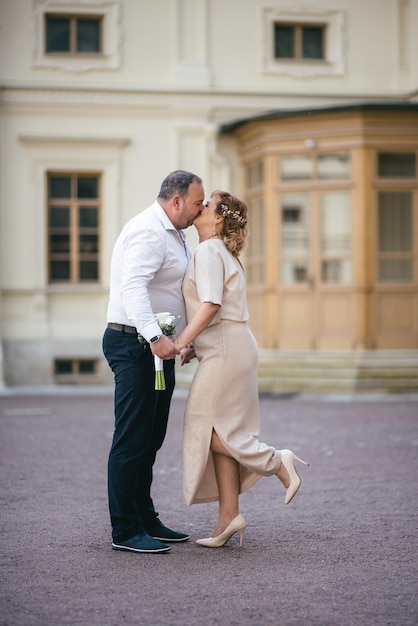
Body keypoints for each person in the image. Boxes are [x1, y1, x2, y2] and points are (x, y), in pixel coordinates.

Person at [174, 190, 309, 548]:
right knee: (223, 429)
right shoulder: (222, 252)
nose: (201, 206)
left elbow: (211, 304)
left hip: (225, 349)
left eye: (208, 203)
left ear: (218, 218)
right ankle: (228, 518)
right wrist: (192, 345)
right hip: (232, 345)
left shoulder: (207, 250)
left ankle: (277, 462)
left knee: (205, 429)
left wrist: (178, 342)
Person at [102, 170, 205, 553]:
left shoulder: (175, 233)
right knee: (131, 439)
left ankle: (145, 517)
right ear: (176, 201)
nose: (200, 210)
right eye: (197, 203)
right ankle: (125, 530)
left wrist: (181, 340)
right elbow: (133, 287)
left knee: (151, 437)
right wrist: (156, 338)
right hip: (134, 345)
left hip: (157, 346)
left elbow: (172, 289)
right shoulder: (148, 230)